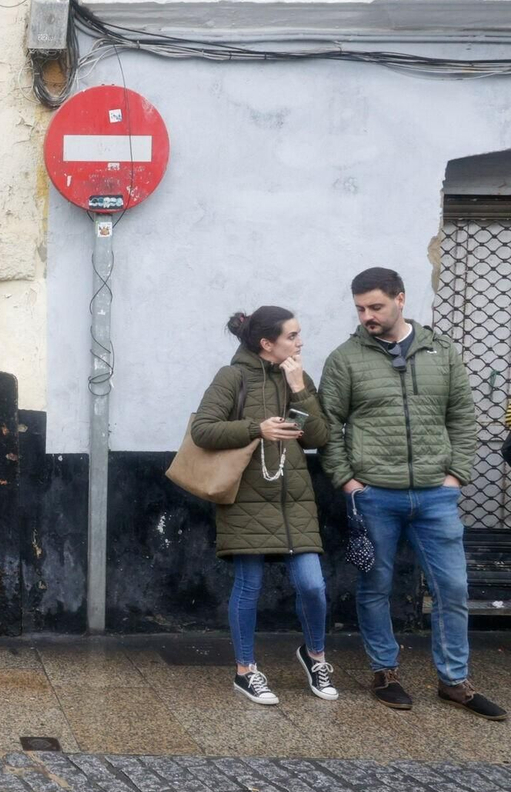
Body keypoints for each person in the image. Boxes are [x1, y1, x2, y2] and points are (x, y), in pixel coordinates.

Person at [320, 267, 505, 721]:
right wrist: (348, 481)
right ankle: (385, 672)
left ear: (400, 299)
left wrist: (456, 475)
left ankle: (454, 681)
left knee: (453, 587)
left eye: (376, 306)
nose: (368, 316)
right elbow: (327, 428)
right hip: (374, 495)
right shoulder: (345, 359)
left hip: (435, 495)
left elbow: (462, 416)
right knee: (375, 586)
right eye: (360, 308)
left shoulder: (441, 352)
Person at [190, 307, 337, 705]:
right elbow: (203, 429)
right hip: (246, 499)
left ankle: (315, 655)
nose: (300, 342)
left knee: (313, 586)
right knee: (249, 587)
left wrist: (299, 387)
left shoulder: (297, 377)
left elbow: (320, 436)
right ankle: (245, 671)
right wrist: (258, 428)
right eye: (292, 336)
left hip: (295, 501)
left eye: (298, 334)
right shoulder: (232, 376)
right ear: (266, 343)